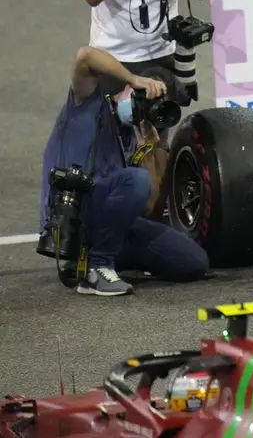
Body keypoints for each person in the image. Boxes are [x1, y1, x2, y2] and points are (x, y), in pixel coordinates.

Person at [39, 47, 210, 296]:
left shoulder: (134, 136)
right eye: (147, 98)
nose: (150, 108)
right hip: (72, 218)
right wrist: (134, 78)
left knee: (193, 263)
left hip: (110, 224)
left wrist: (154, 149)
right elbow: (85, 56)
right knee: (136, 180)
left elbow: (149, 208)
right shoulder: (87, 103)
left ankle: (105, 258)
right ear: (130, 90)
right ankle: (96, 269)